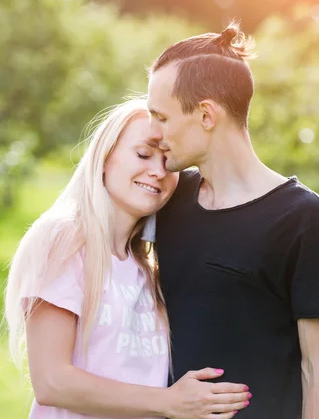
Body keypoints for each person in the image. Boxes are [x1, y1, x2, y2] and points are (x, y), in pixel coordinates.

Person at [147, 23, 319, 419]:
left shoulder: (303, 219)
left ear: (206, 114)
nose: (154, 134)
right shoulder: (169, 198)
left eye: (162, 118)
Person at [4, 98, 250, 419]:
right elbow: (52, 381)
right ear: (105, 158)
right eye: (143, 154)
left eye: (170, 160)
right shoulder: (65, 239)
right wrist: (170, 401)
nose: (158, 171)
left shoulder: (146, 270)